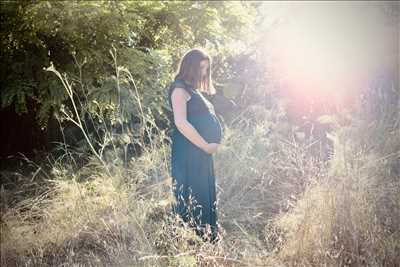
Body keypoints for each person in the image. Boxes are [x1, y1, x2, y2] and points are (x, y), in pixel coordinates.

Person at [167, 48, 223, 243]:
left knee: (204, 195)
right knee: (192, 194)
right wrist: (204, 146)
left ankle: (206, 241)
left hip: (200, 153)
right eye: (201, 67)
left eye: (206, 69)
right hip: (189, 152)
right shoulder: (179, 89)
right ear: (190, 66)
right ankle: (189, 242)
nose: (204, 73)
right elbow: (181, 123)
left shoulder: (193, 90)